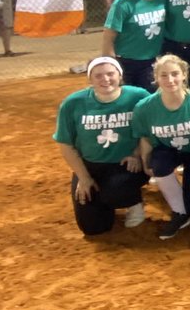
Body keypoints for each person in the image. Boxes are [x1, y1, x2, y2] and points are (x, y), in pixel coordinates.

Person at [132, 53, 190, 239]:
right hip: (168, 149)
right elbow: (144, 137)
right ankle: (179, 214)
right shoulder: (145, 107)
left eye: (175, 74)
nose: (170, 80)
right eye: (164, 75)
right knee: (158, 164)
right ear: (156, 78)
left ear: (184, 75)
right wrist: (146, 161)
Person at [54, 56, 150, 234]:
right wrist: (83, 178)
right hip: (91, 166)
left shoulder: (138, 96)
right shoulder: (73, 103)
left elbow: (150, 130)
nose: (105, 79)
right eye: (98, 75)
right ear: (89, 79)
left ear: (120, 76)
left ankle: (133, 201)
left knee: (114, 191)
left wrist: (137, 153)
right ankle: (106, 202)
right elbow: (66, 145)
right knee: (93, 228)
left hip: (127, 165)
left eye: (110, 74)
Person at [101, 0, 167, 90]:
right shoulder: (124, 3)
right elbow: (108, 38)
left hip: (153, 62)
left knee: (149, 100)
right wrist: (112, 67)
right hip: (127, 62)